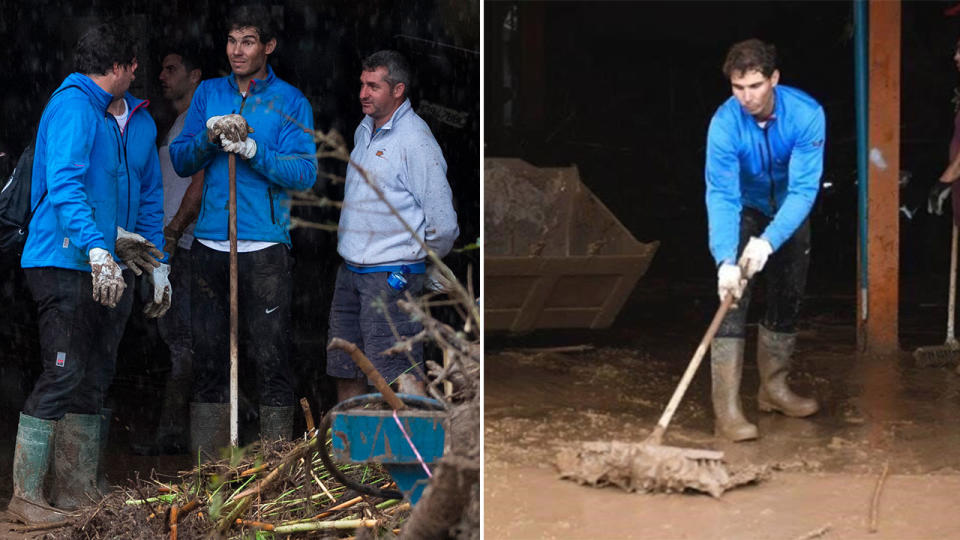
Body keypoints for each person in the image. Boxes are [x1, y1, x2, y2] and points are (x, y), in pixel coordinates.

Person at [6, 22, 168, 524]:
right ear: (120, 68)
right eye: (133, 69)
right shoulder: (75, 106)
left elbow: (143, 193)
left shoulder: (121, 116)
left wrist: (152, 259)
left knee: (92, 375)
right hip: (62, 260)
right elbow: (64, 184)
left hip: (101, 263)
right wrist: (98, 247)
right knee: (62, 371)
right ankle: (26, 498)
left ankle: (74, 491)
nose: (136, 77)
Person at [169, 5, 317, 456]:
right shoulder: (209, 94)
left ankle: (274, 467)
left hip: (266, 245)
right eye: (232, 41)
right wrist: (208, 138)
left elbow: (305, 173)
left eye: (248, 41)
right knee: (209, 357)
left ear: (268, 46)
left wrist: (254, 149)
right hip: (212, 242)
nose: (237, 50)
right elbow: (180, 160)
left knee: (271, 357)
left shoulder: (290, 101)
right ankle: (208, 471)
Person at [705, 39, 824, 442]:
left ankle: (773, 389)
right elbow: (720, 194)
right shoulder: (724, 124)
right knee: (733, 298)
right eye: (738, 88)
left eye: (755, 86)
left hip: (789, 210)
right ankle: (727, 409)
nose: (746, 97)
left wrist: (769, 240)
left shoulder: (806, 115)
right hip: (743, 208)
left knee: (788, 294)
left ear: (774, 79)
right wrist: (725, 257)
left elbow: (805, 190)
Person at [327, 50, 459, 402]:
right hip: (351, 272)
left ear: (398, 90)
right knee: (346, 363)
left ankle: (400, 455)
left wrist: (420, 262)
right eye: (362, 85)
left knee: (396, 370)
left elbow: (444, 225)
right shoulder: (364, 129)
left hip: (390, 276)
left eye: (373, 86)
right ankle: (352, 456)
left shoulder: (416, 141)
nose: (363, 93)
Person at [145, 43, 204, 454]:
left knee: (183, 341)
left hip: (183, 244)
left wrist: (176, 228)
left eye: (171, 68)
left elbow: (202, 182)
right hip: (169, 243)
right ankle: (179, 434)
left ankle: (175, 437)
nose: (163, 76)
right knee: (176, 339)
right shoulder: (179, 121)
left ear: (194, 75)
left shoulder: (197, 122)